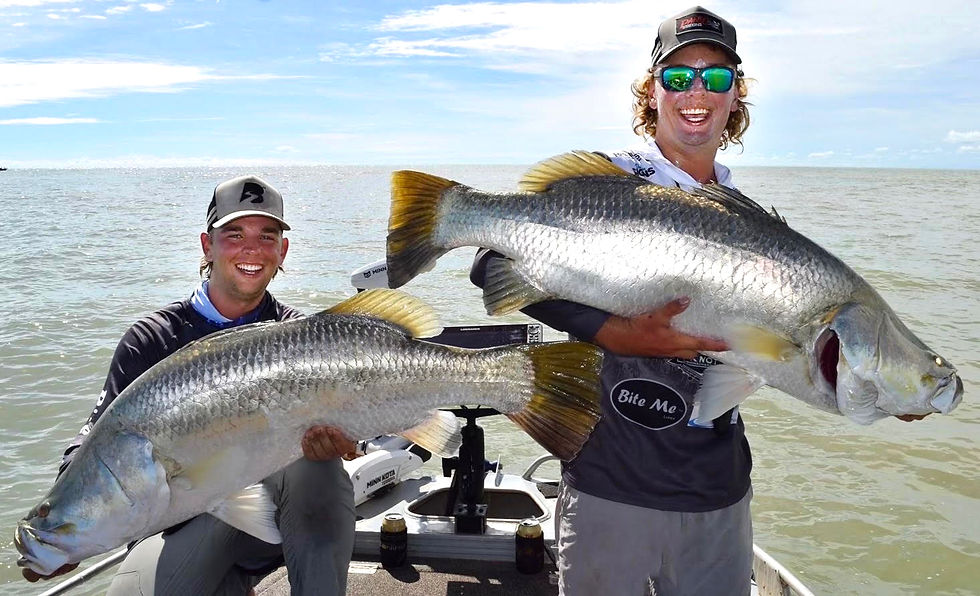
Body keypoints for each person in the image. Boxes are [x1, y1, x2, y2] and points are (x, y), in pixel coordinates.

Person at [471, 7, 749, 595]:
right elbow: (490, 262)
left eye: (716, 77)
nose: (697, 91)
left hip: (716, 487)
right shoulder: (613, 182)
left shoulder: (744, 215)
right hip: (608, 477)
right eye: (678, 77)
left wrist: (886, 384)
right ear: (652, 91)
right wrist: (614, 332)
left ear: (735, 96)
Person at [24, 175, 357, 596]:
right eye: (234, 235)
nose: (252, 249)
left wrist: (345, 443)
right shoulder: (150, 339)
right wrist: (68, 523)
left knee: (317, 469)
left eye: (266, 236)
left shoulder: (302, 338)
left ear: (282, 251)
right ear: (207, 245)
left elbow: (355, 432)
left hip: (278, 526)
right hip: (177, 531)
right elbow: (95, 440)